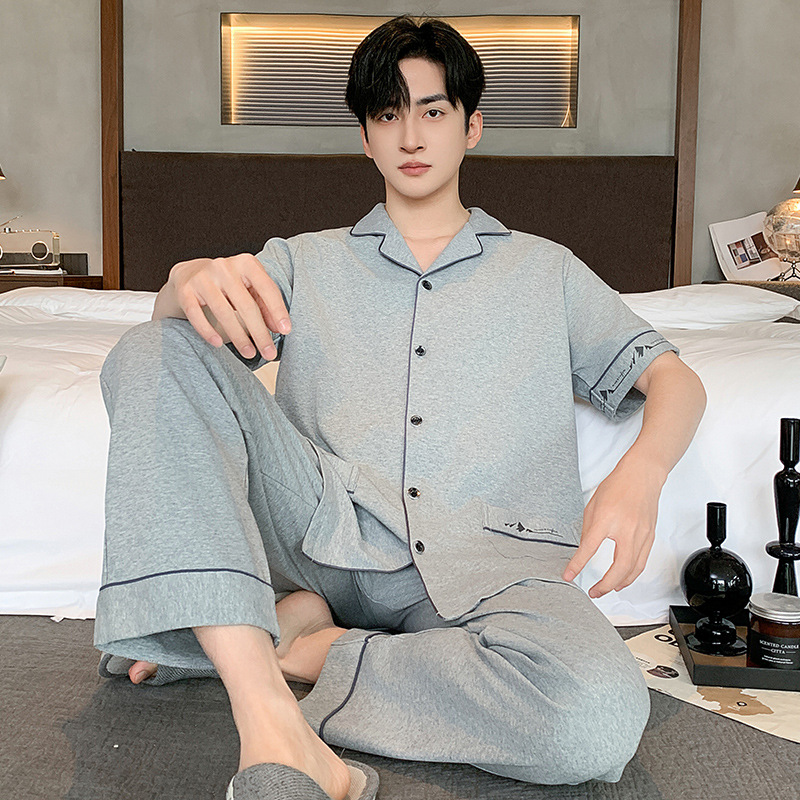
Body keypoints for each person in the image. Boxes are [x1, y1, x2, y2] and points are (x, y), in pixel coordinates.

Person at [94, 14, 707, 800]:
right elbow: (179, 361)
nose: (411, 135)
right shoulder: (302, 261)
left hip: (493, 562)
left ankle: (298, 646)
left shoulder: (546, 271)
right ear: (365, 138)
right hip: (321, 529)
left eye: (433, 110)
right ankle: (269, 718)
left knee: (592, 717)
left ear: (471, 126)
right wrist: (181, 283)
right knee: (149, 347)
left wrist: (641, 474)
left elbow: (675, 379)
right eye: (388, 114)